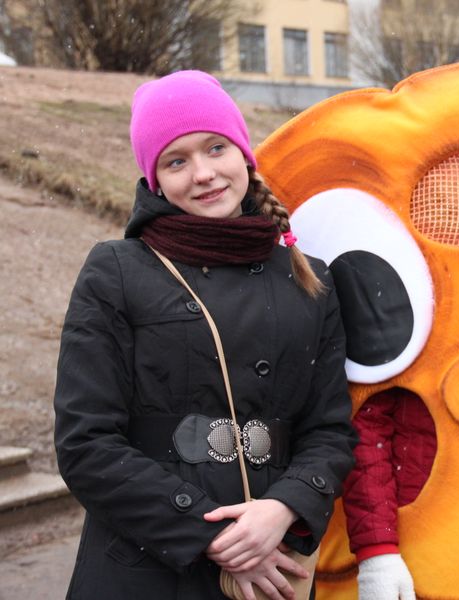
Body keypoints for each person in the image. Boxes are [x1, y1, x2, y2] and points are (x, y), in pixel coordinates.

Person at [54, 70, 357, 600]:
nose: (203, 174)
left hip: (273, 564)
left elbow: (329, 431)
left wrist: (282, 508)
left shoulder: (313, 279)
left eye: (216, 148)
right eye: (176, 161)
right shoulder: (116, 271)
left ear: (243, 153)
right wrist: (209, 533)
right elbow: (86, 442)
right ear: (155, 180)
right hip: (145, 568)